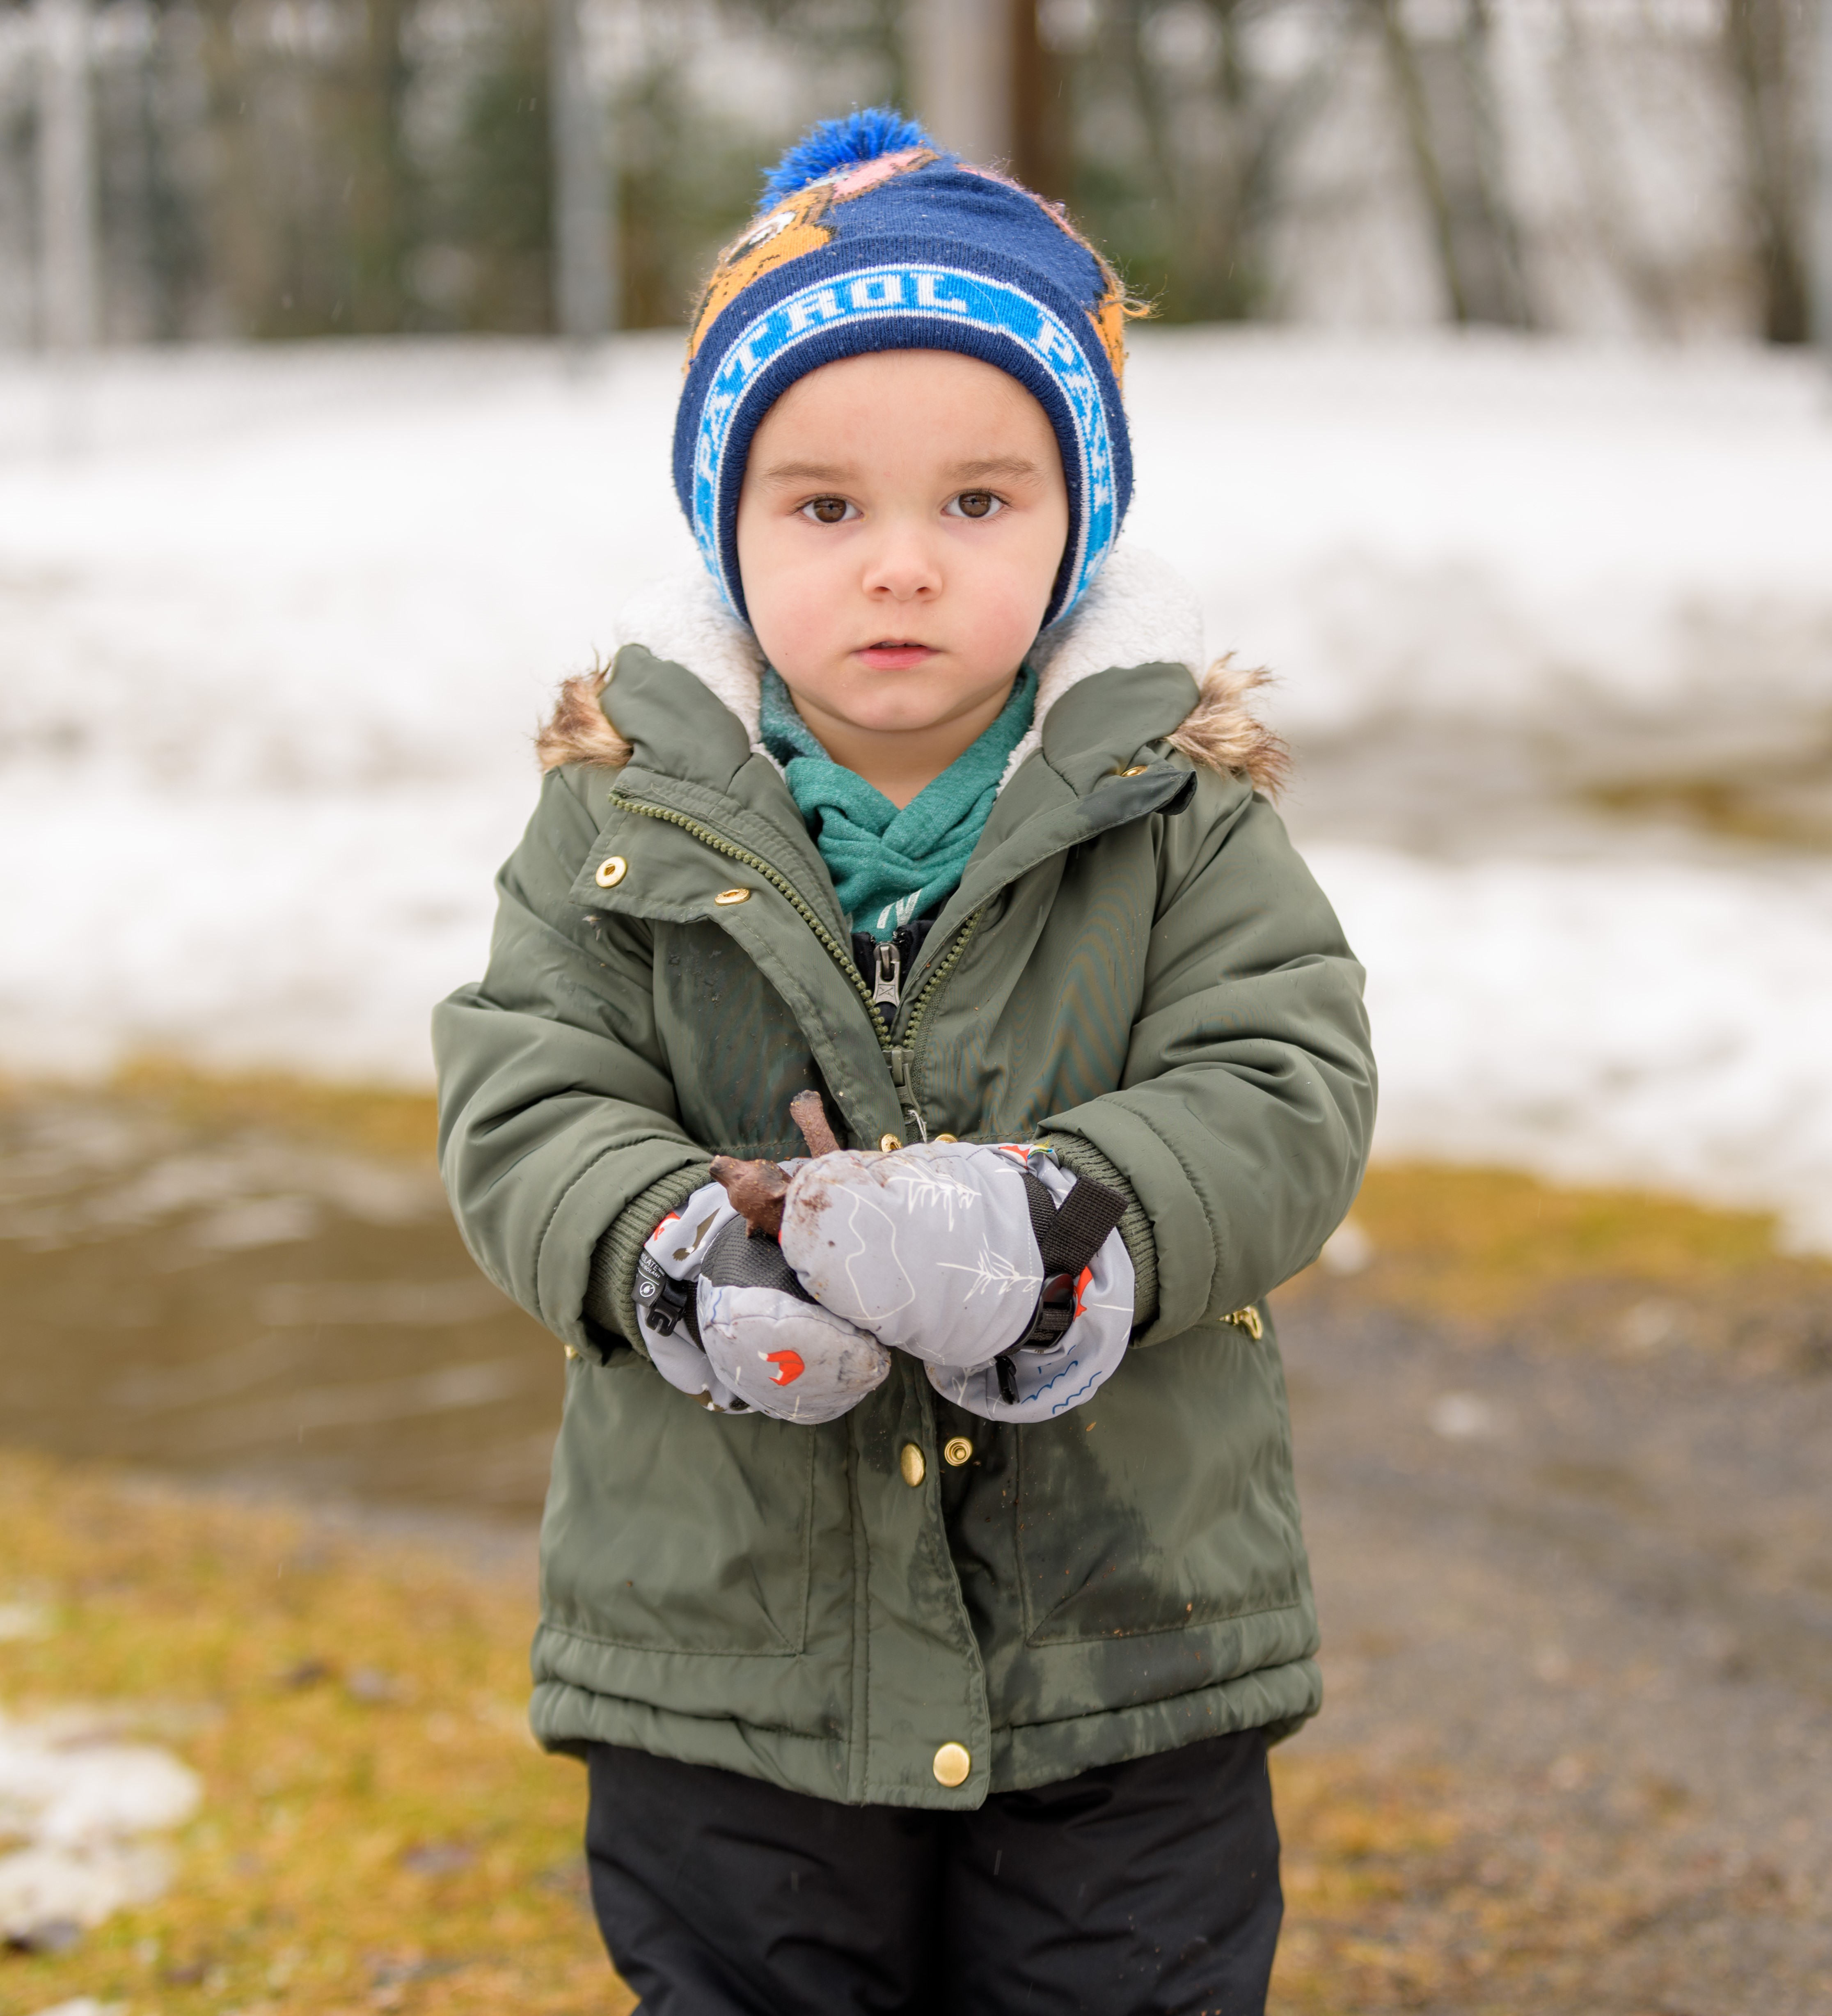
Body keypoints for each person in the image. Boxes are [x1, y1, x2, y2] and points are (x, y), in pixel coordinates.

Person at [433, 106, 1376, 2016]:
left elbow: (1283, 1077)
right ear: (727, 523)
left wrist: (1078, 1224)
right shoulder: (618, 821)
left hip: (1126, 1646)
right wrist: (665, 1250)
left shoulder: (1172, 812)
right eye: (825, 506)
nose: (900, 569)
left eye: (977, 502)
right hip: (729, 1662)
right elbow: (524, 1094)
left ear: (1077, 520)